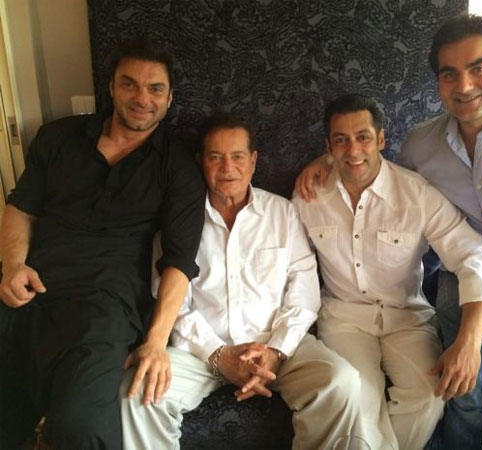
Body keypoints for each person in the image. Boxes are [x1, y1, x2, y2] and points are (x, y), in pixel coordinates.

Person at [296, 15, 482, 450]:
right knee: (462, 390)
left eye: (479, 68)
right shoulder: (422, 145)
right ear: (438, 82)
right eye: (450, 73)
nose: (464, 85)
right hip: (462, 283)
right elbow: (373, 170)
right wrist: (330, 160)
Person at [0, 37, 205, 450]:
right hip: (31, 284)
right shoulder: (57, 137)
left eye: (155, 89)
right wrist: (12, 266)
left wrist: (155, 341)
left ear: (169, 99)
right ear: (111, 87)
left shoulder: (179, 166)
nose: (142, 98)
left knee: (81, 426)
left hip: (106, 304)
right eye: (129, 84)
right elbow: (21, 207)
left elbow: (179, 260)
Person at [121, 112, 361, 450]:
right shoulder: (179, 220)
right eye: (215, 157)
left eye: (237, 156)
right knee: (137, 394)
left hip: (278, 347)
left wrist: (276, 350)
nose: (227, 168)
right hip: (202, 352)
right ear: (200, 162)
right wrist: (219, 355)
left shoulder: (282, 212)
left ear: (253, 161)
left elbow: (304, 290)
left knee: (341, 382)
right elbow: (172, 303)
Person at [292, 94, 482, 450]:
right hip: (344, 319)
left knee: (429, 394)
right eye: (341, 140)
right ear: (328, 146)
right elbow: (293, 266)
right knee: (357, 396)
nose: (353, 150)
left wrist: (469, 341)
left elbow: (473, 255)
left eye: (363, 137)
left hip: (407, 317)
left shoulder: (417, 194)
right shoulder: (308, 197)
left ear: (381, 139)